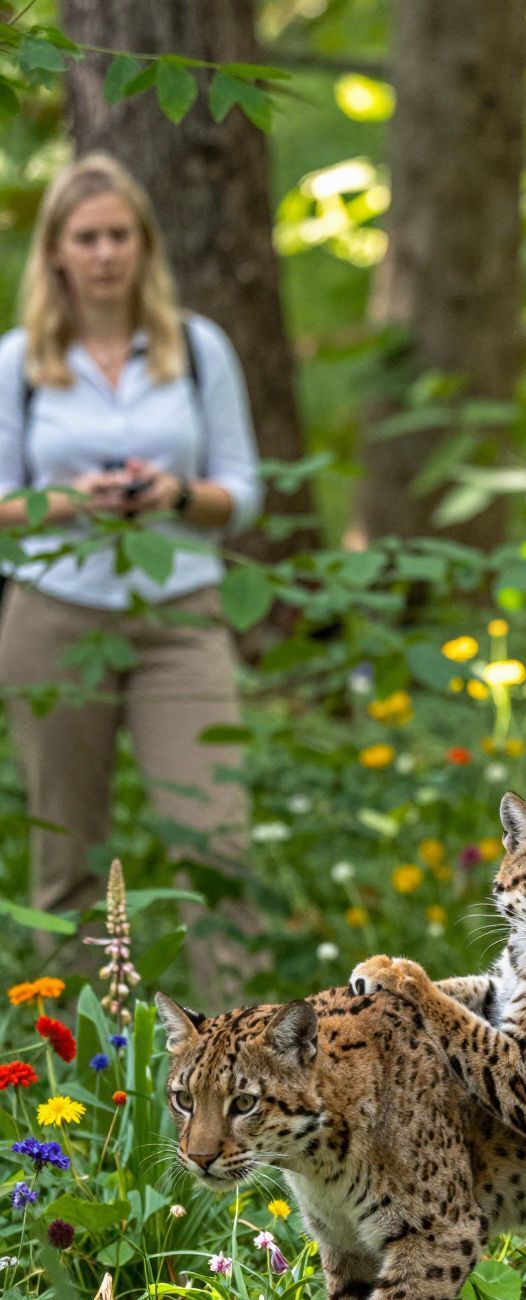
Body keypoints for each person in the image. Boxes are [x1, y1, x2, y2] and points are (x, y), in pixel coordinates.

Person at [0, 152, 264, 999]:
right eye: (87, 237)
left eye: (120, 235)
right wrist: (71, 500)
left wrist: (175, 494)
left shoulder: (196, 348)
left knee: (216, 845)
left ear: (145, 247)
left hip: (179, 612)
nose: (105, 252)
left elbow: (242, 492)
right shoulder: (17, 362)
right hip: (54, 613)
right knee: (66, 856)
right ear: (57, 253)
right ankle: (74, 1072)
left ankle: (244, 1060)